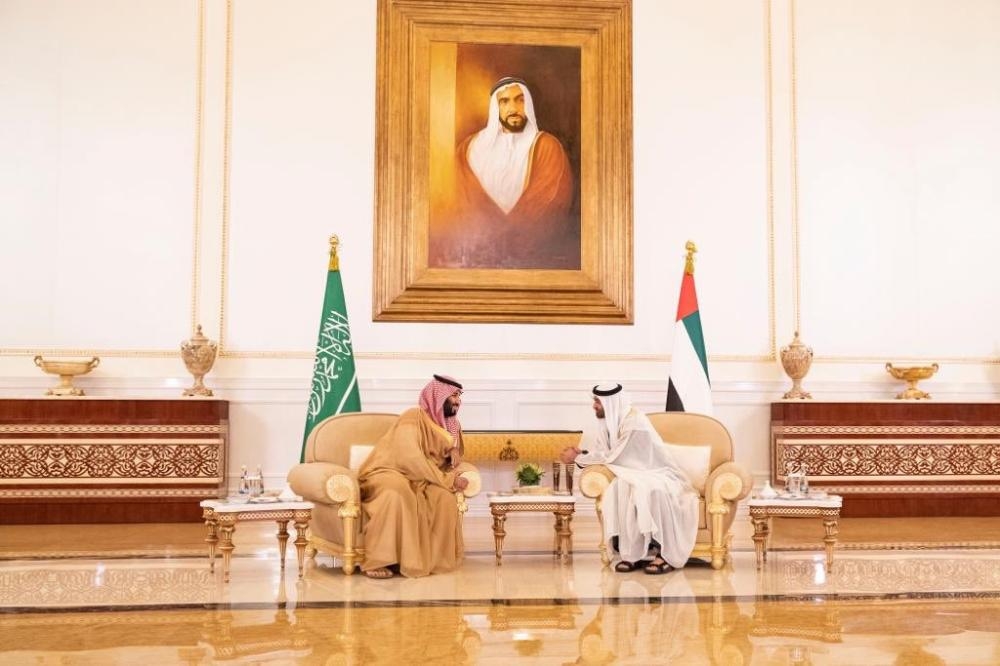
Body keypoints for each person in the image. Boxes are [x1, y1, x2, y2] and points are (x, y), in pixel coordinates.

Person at [430, 76, 577, 269]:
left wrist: (507, 244)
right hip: (476, 261)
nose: (514, 108)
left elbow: (550, 204)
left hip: (531, 263)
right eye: (504, 101)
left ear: (529, 104)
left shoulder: (547, 147)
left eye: (520, 99)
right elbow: (456, 201)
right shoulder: (470, 148)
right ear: (495, 107)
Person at [561, 383, 699, 574]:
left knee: (652, 491)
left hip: (657, 472)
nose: (594, 406)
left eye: (597, 402)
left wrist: (577, 458)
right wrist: (583, 453)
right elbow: (606, 452)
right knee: (622, 488)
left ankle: (664, 555)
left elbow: (618, 454)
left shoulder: (635, 421)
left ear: (611, 403)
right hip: (633, 473)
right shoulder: (609, 423)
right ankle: (633, 554)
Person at [358, 374, 470, 579]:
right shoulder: (413, 417)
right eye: (453, 396)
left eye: (459, 396)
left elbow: (445, 459)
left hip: (423, 479)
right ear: (438, 396)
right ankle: (379, 560)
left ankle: (430, 561)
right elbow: (409, 457)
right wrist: (448, 480)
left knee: (444, 499)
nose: (458, 401)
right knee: (398, 493)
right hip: (390, 472)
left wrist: (453, 451)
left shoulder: (452, 425)